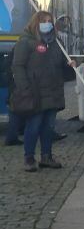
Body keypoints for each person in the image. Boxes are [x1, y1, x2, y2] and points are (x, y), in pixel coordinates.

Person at [11, 11, 75, 172]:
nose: (48, 24)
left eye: (49, 21)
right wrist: (25, 88)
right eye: (44, 21)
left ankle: (46, 156)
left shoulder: (56, 43)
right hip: (35, 93)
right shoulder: (26, 42)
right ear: (36, 23)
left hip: (53, 91)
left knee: (49, 127)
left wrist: (70, 66)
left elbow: (63, 67)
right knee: (33, 126)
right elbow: (17, 66)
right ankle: (29, 158)